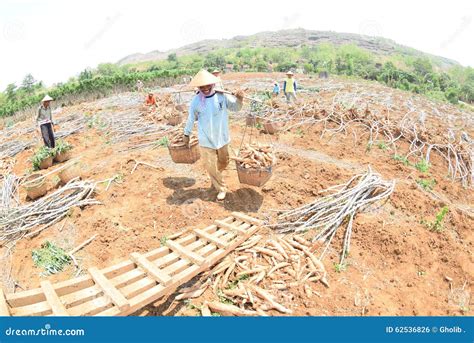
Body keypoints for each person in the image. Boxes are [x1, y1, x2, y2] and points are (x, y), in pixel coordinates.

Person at [183, 70, 244, 201]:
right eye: (202, 87)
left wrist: (239, 99)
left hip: (222, 137)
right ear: (198, 87)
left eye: (207, 86)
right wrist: (186, 134)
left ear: (212, 84)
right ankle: (221, 188)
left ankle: (215, 177)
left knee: (223, 162)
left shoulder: (222, 96)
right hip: (206, 140)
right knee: (210, 166)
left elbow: (235, 108)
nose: (205, 89)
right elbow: (190, 119)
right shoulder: (196, 102)